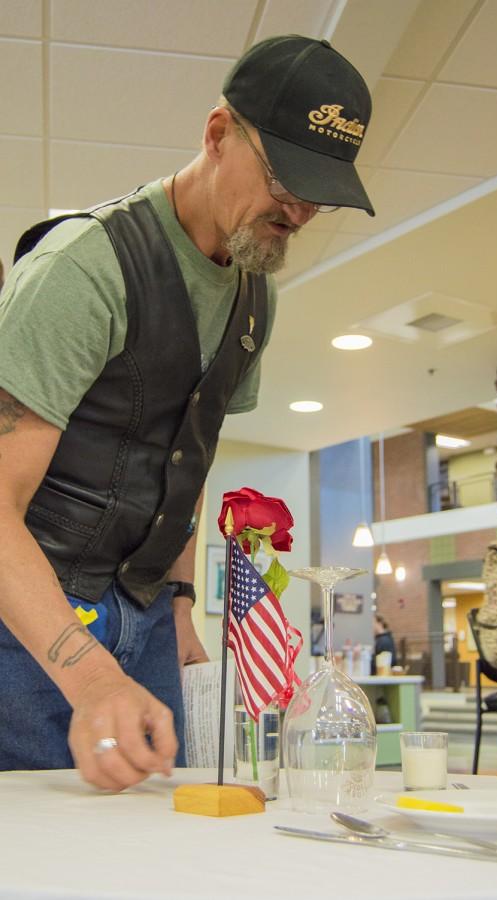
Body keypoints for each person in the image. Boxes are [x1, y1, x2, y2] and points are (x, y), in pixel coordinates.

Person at [0, 35, 374, 791]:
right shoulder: (84, 268)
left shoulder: (252, 293)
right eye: (284, 179)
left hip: (146, 621)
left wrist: (177, 603)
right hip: (35, 623)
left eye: (318, 191)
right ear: (216, 135)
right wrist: (89, 674)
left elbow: (188, 457)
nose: (299, 209)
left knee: (157, 847)